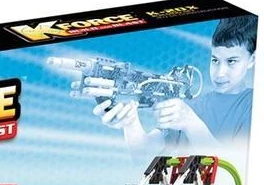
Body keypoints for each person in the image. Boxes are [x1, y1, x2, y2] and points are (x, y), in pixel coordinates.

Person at [95, 16, 256, 155]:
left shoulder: (252, 105)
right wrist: (130, 123)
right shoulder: (193, 106)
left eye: (231, 61)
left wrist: (191, 123)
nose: (220, 73)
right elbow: (144, 153)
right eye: (215, 60)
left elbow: (236, 167)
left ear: (252, 59)